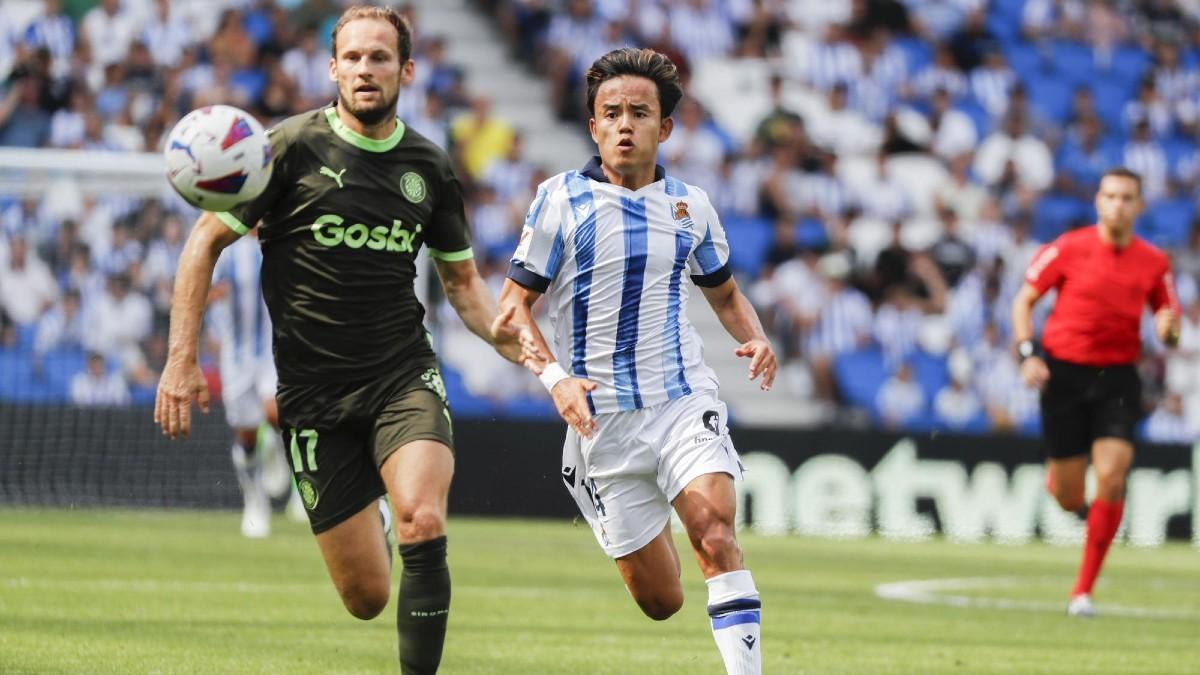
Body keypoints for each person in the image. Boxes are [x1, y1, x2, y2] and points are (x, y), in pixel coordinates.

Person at [154, 6, 526, 672]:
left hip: (402, 377)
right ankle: (371, 526)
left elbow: (466, 289)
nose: (364, 69)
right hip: (312, 397)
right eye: (351, 57)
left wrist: (537, 357)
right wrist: (181, 361)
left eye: (379, 57)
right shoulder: (285, 150)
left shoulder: (429, 167)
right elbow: (204, 242)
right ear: (332, 68)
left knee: (423, 519)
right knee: (365, 597)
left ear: (405, 70)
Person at [494, 47, 777, 675]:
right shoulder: (560, 201)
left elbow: (725, 293)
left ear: (664, 128)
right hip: (602, 422)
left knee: (715, 531)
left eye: (639, 113)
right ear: (593, 127)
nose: (624, 124)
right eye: (611, 113)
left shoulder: (690, 207)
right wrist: (555, 378)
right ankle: (629, 510)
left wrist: (755, 335)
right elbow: (511, 312)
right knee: (661, 600)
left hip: (681, 399)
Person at [1012, 167, 1181, 618]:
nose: (1118, 205)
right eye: (1110, 196)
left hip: (1118, 378)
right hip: (1063, 376)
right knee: (1069, 496)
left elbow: (1169, 323)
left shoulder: (1154, 262)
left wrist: (1169, 331)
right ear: (1098, 202)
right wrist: (1028, 353)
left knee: (1111, 473)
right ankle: (1065, 488)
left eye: (1127, 198)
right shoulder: (1068, 248)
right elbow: (1023, 300)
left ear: (1139, 205)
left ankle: (1082, 592)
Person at [207, 230, 296, 538]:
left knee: (275, 412)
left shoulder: (282, 240)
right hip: (237, 355)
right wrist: (215, 293)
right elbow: (206, 290)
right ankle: (254, 499)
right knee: (245, 436)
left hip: (275, 349)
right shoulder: (228, 249)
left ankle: (275, 446)